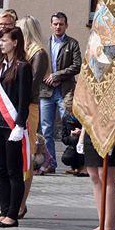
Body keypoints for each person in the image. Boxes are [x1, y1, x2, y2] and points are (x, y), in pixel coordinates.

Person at [0, 27, 32, 228]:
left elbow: (24, 100)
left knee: (14, 170)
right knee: (1, 169)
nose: (1, 44)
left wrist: (20, 125)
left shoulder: (23, 67)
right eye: (0, 40)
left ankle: (13, 214)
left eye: (4, 40)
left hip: (12, 125)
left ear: (15, 42)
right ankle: (3, 210)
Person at [14, 16, 50, 217]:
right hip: (19, 106)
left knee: (26, 155)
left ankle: (21, 203)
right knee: (15, 157)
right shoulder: (25, 52)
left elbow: (32, 84)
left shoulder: (39, 54)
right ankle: (13, 202)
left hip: (29, 107)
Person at [38, 11, 81, 175]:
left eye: (61, 24)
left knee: (70, 127)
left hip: (65, 91)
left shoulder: (72, 44)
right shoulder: (43, 44)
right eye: (55, 24)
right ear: (51, 25)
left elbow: (77, 66)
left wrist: (57, 76)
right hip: (46, 91)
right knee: (46, 128)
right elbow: (37, 66)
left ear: (66, 25)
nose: (58, 26)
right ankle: (50, 162)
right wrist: (47, 78)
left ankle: (75, 163)